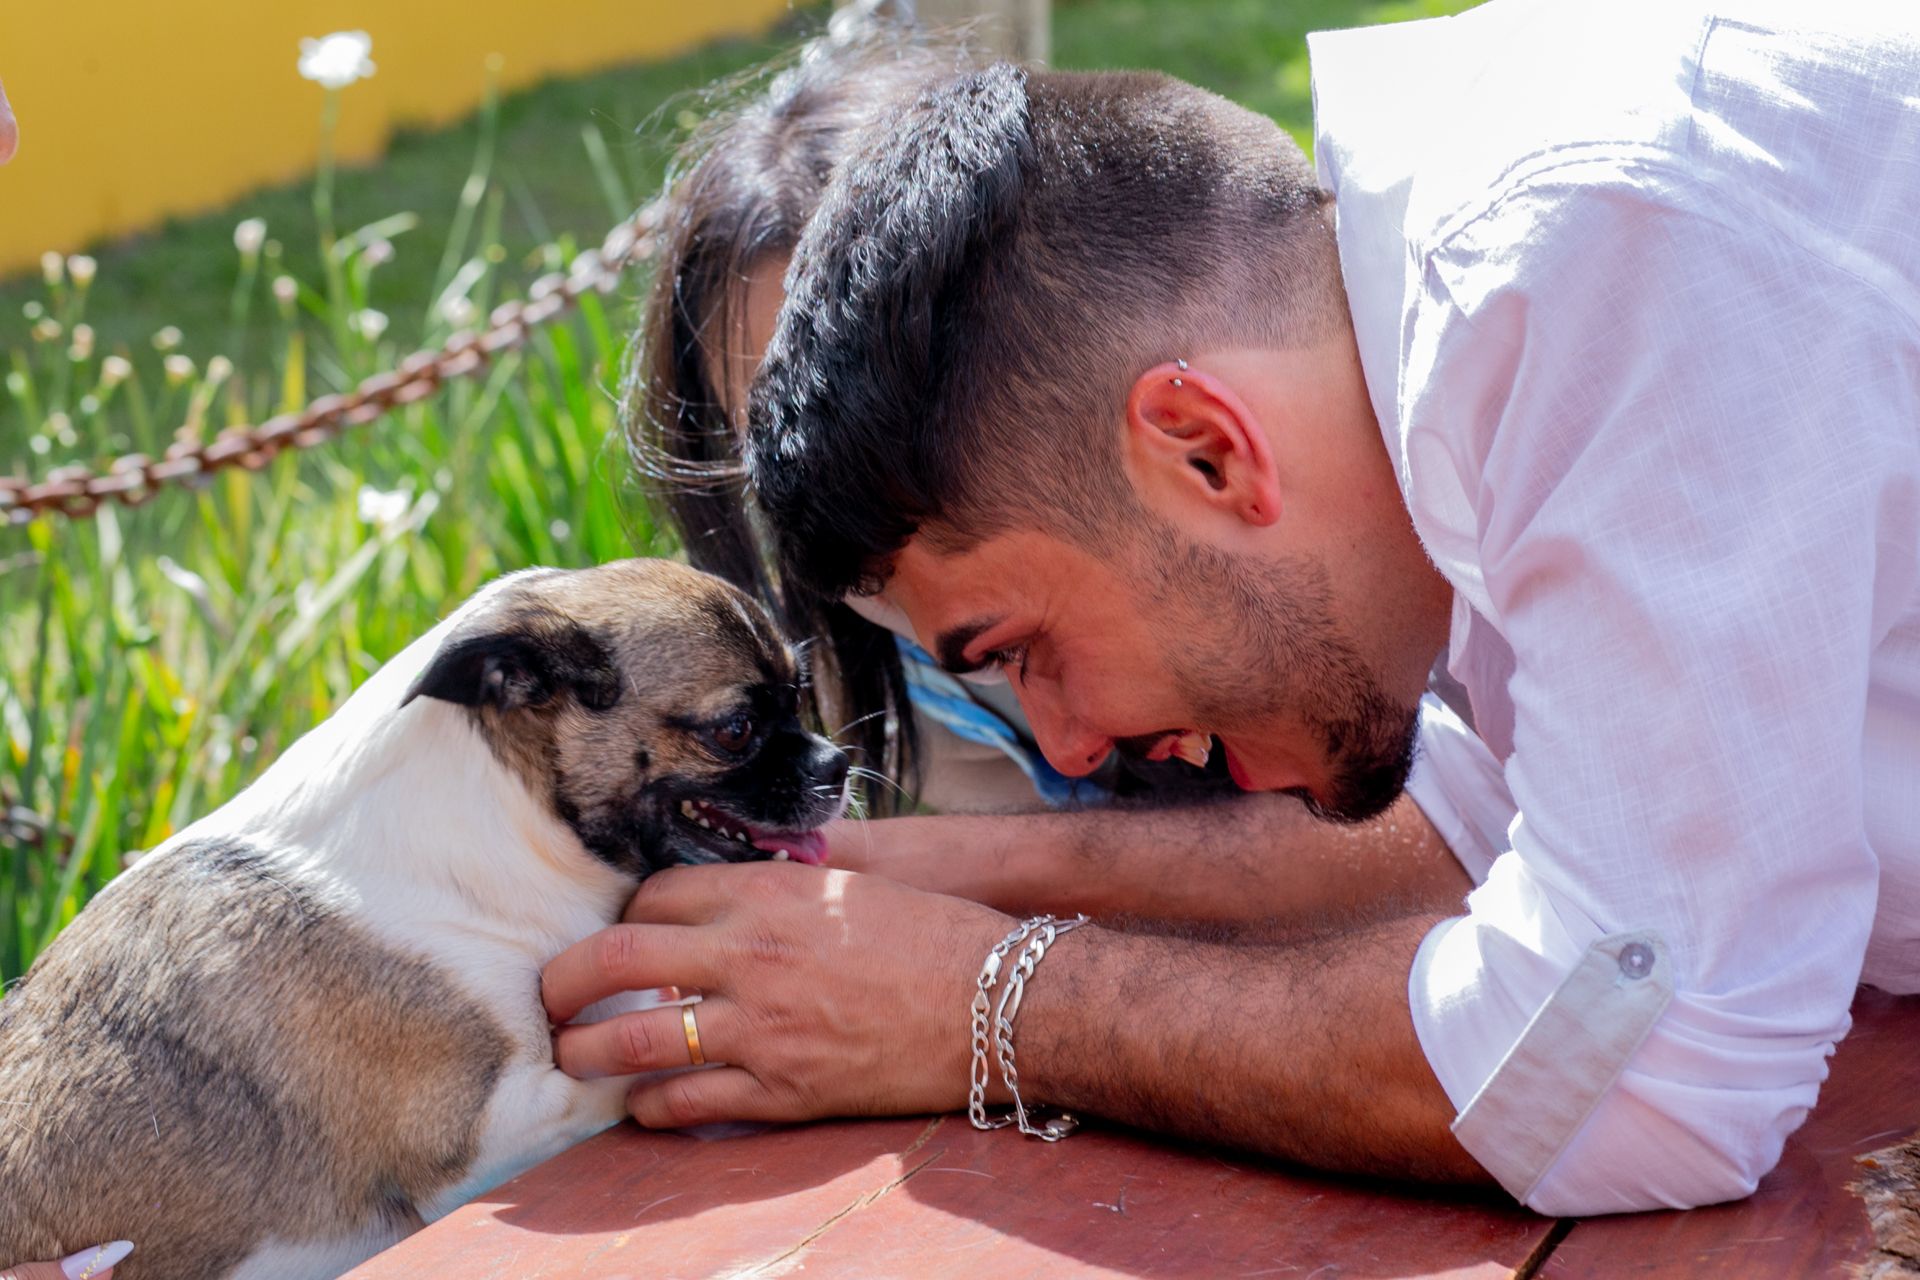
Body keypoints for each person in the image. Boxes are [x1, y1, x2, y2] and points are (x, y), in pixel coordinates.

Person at [544, 0, 1920, 1218]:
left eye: (1020, 651)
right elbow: (1480, 824)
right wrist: (898, 887)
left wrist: (980, 1002)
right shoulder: (1421, 328)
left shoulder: (1590, 260)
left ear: (1205, 449)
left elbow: (1641, 1067)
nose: (1070, 746)